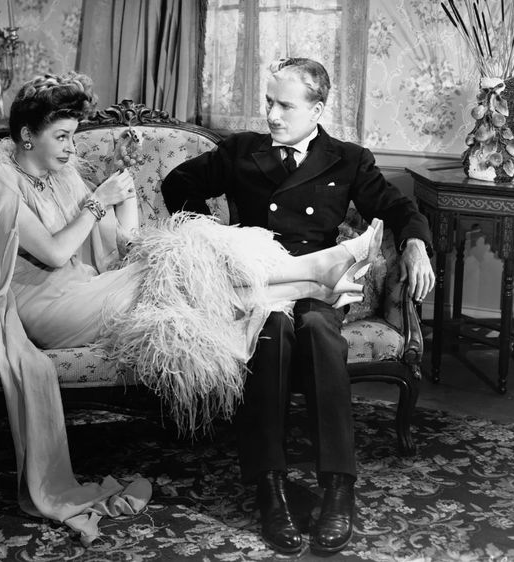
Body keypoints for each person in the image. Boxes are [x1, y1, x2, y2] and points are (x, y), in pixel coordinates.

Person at [0, 71, 387, 547]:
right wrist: (97, 203)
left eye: (72, 136)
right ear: (26, 136)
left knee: (179, 260)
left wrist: (118, 194)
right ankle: (322, 270)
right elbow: (57, 253)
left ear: (316, 110)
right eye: (61, 137)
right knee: (180, 261)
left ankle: (316, 275)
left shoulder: (57, 172)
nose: (70, 148)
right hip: (45, 304)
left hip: (86, 288)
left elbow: (121, 245)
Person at [161, 57, 436, 555]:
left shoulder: (348, 158)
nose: (271, 114)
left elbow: (399, 208)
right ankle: (270, 487)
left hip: (316, 282)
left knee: (316, 329)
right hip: (259, 280)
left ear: (317, 108)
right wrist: (215, 243)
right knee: (272, 335)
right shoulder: (242, 151)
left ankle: (337, 487)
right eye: (268, 101)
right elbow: (177, 186)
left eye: (285, 104)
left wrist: (415, 243)